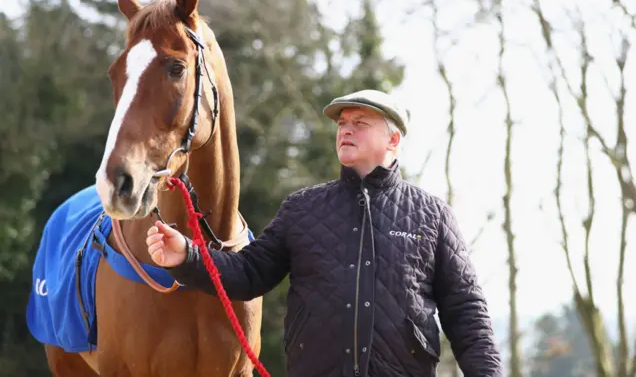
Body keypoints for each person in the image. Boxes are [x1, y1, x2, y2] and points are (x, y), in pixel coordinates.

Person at [146, 89, 503, 376]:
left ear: (393, 140)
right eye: (342, 123)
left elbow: (466, 310)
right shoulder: (302, 208)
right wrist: (187, 257)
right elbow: (249, 275)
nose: (345, 129)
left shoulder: (433, 215)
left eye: (360, 122)